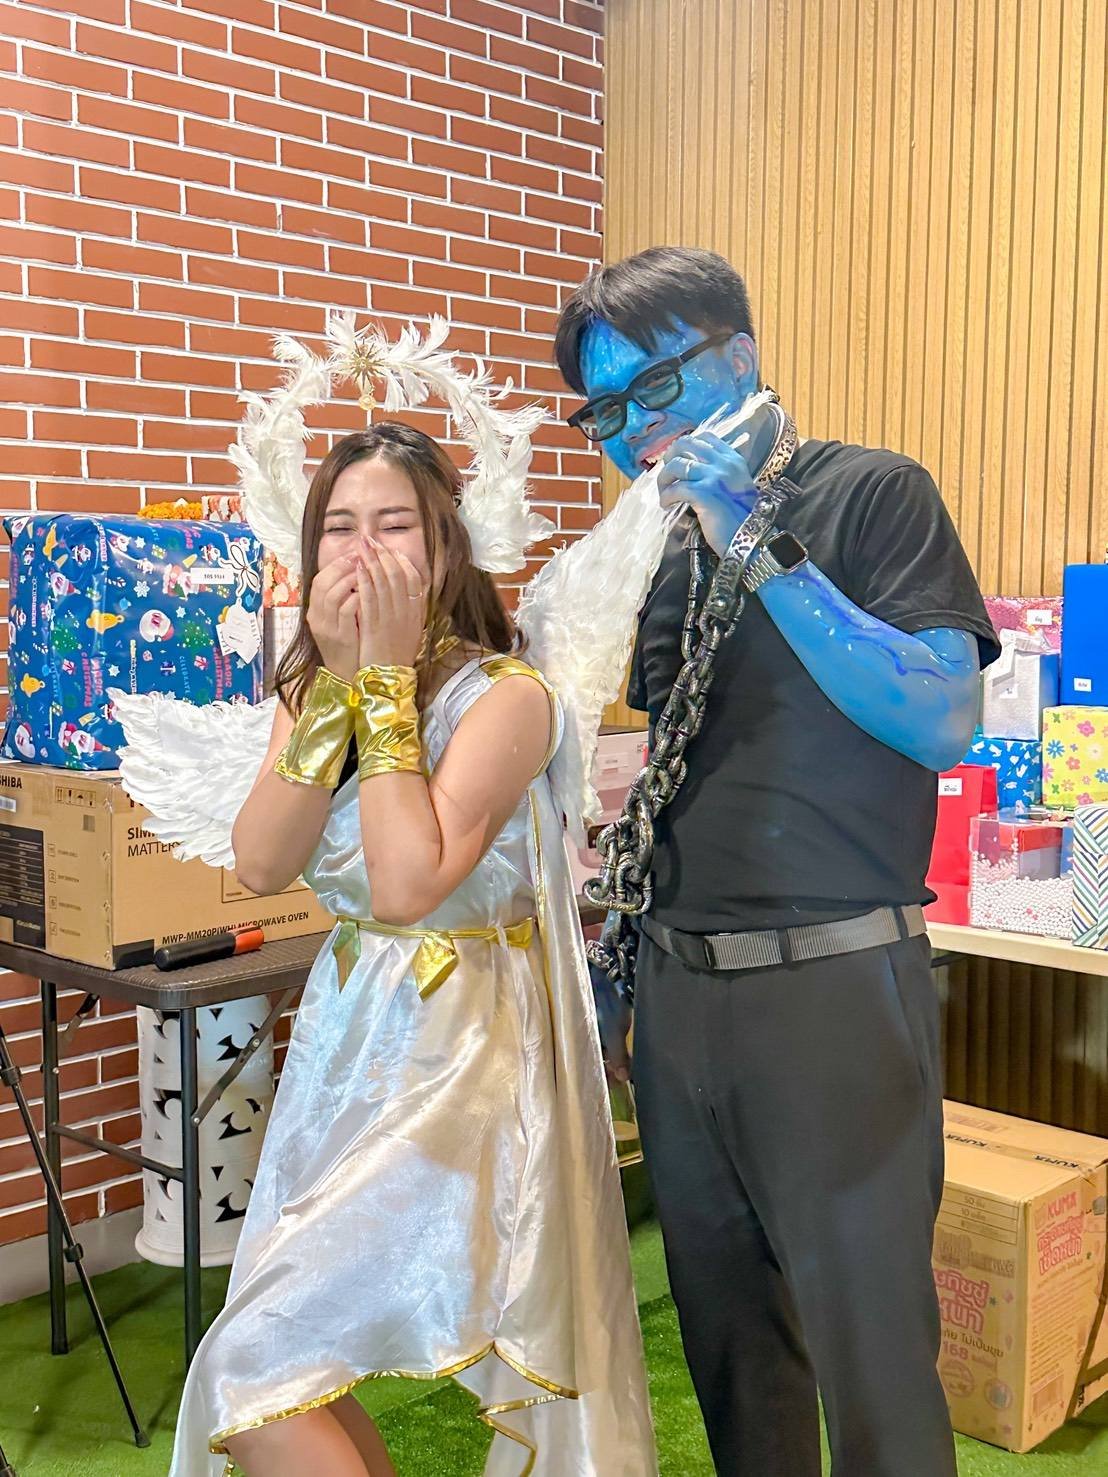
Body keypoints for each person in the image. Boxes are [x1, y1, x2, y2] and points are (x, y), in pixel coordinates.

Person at [555, 246, 1000, 1477]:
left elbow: (939, 718)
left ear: (740, 356)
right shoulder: (654, 555)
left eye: (656, 388)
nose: (634, 431)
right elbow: (672, 775)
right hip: (681, 997)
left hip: (834, 989)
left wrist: (755, 542)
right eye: (605, 412)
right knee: (732, 1352)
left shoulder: (870, 493)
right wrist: (619, 972)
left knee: (873, 1363)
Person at [166, 423, 658, 1476]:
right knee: (289, 1359)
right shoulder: (315, 686)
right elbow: (262, 860)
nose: (362, 551)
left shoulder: (508, 696)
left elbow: (405, 881)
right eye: (338, 526)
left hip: (457, 1049)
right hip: (351, 1034)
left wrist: (385, 682)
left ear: (446, 546)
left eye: (394, 525)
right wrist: (333, 695)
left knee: (251, 1371)